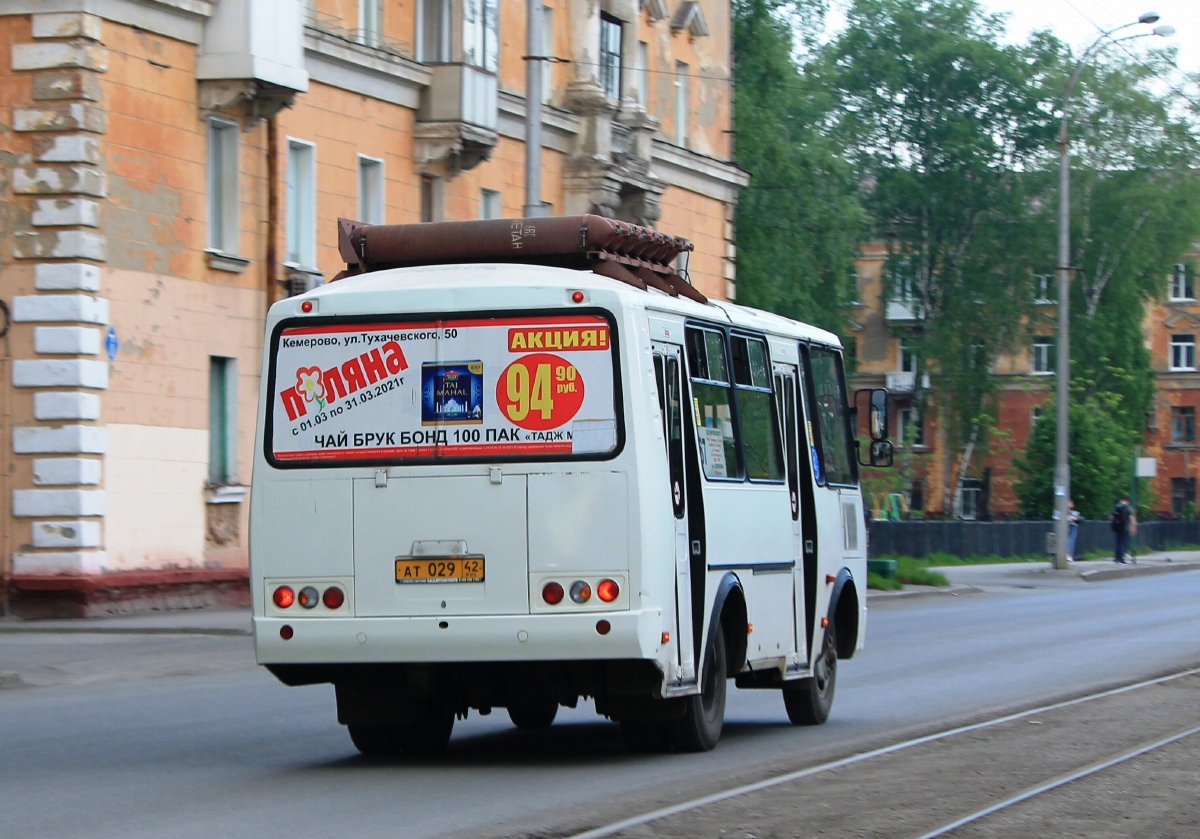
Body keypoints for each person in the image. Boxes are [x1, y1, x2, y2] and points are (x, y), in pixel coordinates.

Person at [1111, 495, 1134, 564]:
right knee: (1123, 543)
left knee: (1118, 543)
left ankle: (1116, 558)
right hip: (1124, 527)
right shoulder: (1128, 508)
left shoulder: (1117, 506)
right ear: (1127, 501)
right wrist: (1132, 528)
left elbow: (1112, 516)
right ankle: (1121, 559)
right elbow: (1131, 518)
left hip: (1117, 527)